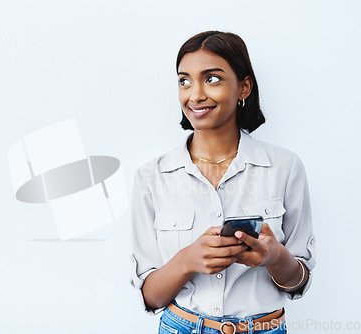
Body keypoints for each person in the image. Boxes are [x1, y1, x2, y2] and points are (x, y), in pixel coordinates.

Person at [131, 31, 316, 334]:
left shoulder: (286, 167)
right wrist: (186, 261)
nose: (195, 94)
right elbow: (151, 298)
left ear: (244, 87)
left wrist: (275, 257)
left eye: (212, 79)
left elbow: (300, 282)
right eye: (184, 80)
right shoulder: (152, 176)